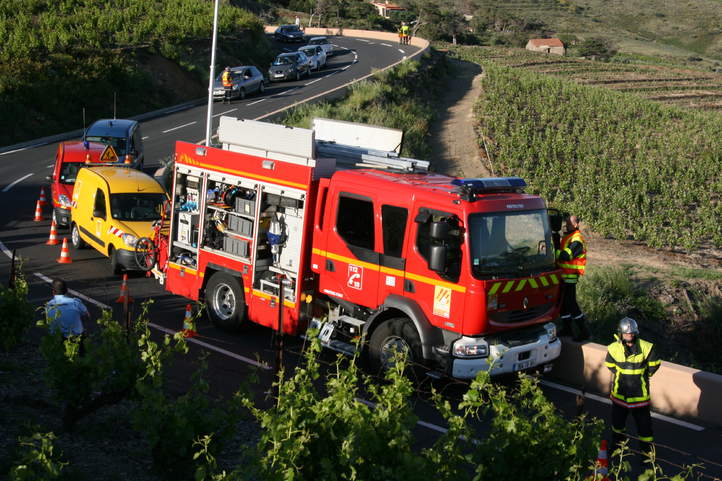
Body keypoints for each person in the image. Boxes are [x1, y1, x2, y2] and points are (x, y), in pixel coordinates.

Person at [605, 317, 661, 457]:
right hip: (619, 395)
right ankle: (617, 448)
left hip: (639, 396)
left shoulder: (647, 347)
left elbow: (654, 365)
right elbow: (610, 365)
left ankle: (647, 453)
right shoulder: (613, 348)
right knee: (617, 425)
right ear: (620, 334)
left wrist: (640, 377)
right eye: (626, 333)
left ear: (636, 332)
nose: (629, 335)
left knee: (645, 428)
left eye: (631, 333)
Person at [556, 214, 590, 341]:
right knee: (563, 304)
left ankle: (584, 331)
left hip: (570, 276)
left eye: (569, 224)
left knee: (571, 304)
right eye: (566, 223)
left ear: (576, 225)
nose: (566, 225)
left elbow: (566, 256)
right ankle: (567, 329)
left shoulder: (577, 239)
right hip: (563, 276)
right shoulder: (569, 236)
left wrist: (552, 252)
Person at [46, 279, 89, 353]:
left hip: (57, 339)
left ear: (53, 292)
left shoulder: (48, 305)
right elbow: (87, 316)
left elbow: (48, 322)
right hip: (76, 338)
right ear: (66, 290)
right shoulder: (75, 302)